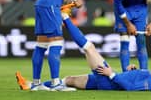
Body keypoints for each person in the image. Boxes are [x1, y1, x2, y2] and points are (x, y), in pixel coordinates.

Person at [16, 8, 151, 91]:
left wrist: (111, 74)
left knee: (89, 48)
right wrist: (132, 71)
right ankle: (29, 85)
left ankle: (65, 17)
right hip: (109, 81)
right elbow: (134, 80)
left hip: (108, 80)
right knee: (69, 80)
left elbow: (130, 87)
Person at [31, 0, 82, 91]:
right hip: (50, 5)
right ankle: (56, 83)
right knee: (57, 41)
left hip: (41, 3)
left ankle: (36, 83)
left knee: (41, 45)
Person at [113, 0, 151, 71]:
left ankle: (144, 74)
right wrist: (128, 24)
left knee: (141, 41)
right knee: (125, 40)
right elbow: (117, 3)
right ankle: (126, 74)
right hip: (123, 9)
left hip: (140, 9)